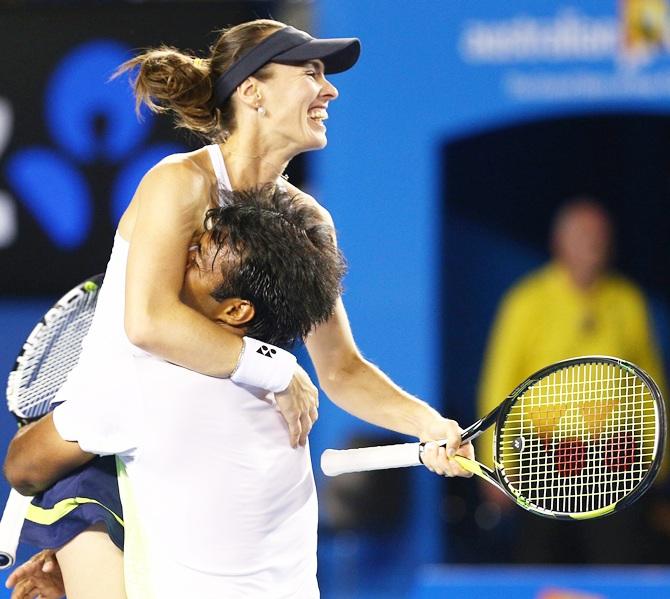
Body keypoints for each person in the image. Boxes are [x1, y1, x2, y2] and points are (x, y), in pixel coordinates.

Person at [6, 18, 474, 597]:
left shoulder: (310, 222)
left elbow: (342, 369)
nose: (329, 91)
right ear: (252, 91)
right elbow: (148, 320)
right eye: (310, 73)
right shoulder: (178, 183)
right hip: (112, 455)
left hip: (215, 468)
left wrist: (430, 426)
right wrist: (275, 367)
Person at [6, 185, 347, 598]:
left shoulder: (147, 385)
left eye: (196, 258)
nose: (172, 256)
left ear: (236, 310)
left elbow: (23, 468)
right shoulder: (278, 395)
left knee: (75, 478)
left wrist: (81, 558)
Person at [476, 197, 667, 563]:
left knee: (619, 566)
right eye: (583, 234)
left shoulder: (629, 303)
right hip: (543, 459)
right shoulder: (525, 302)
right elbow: (498, 384)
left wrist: (660, 461)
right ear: (559, 242)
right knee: (541, 566)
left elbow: (651, 387)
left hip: (617, 459)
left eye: (600, 235)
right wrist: (495, 468)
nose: (593, 243)